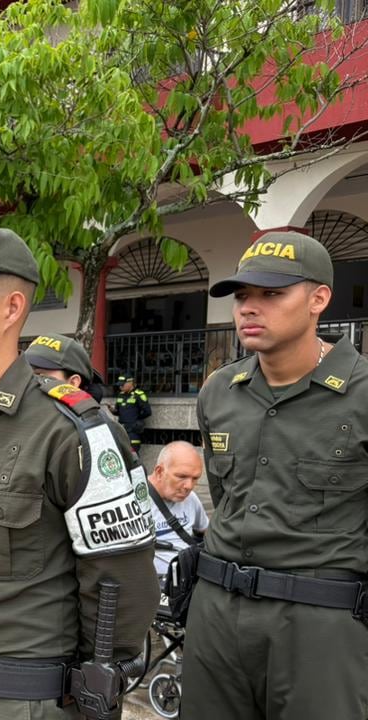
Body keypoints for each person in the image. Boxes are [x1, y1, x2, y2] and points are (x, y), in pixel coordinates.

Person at [0, 219, 158, 719]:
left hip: (22, 701)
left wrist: (90, 688)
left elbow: (122, 584)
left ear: (12, 308)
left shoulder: (69, 429)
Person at [182, 230, 368, 719]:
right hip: (217, 614)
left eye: (271, 294)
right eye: (242, 295)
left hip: (320, 623)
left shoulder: (362, 393)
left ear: (318, 299)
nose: (249, 308)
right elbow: (226, 497)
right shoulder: (219, 391)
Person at [146, 441, 207, 577]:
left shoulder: (191, 498)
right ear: (159, 472)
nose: (189, 486)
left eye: (195, 478)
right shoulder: (135, 500)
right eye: (182, 476)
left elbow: (207, 532)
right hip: (154, 581)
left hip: (188, 577)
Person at [22, 333, 107, 401]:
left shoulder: (91, 418)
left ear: (73, 383)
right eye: (24, 374)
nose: (27, 382)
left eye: (39, 375)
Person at [114, 374, 152, 451]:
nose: (120, 387)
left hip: (133, 431)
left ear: (130, 383)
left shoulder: (139, 394)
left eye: (122, 385)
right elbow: (118, 412)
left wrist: (136, 419)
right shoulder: (120, 395)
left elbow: (148, 412)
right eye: (119, 385)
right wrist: (112, 410)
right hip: (121, 429)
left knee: (133, 453)